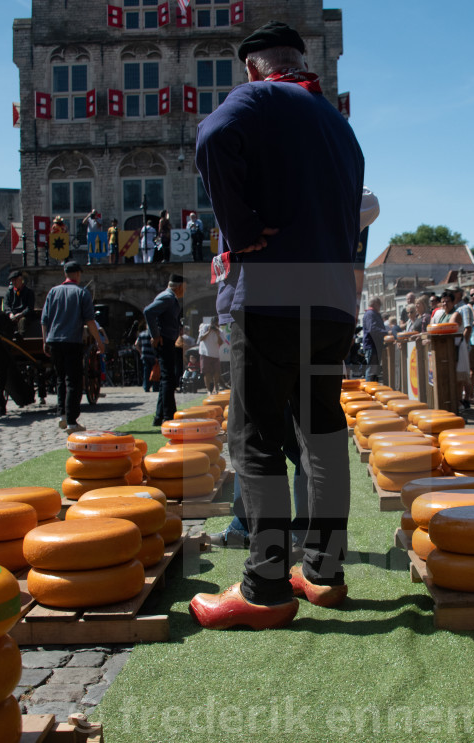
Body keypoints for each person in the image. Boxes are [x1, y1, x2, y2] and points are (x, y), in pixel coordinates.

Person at [191, 20, 364, 629]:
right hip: (333, 302)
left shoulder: (261, 97)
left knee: (256, 435)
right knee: (322, 434)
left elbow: (212, 135)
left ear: (253, 67)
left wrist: (239, 232)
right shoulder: (339, 126)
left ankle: (266, 585)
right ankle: (323, 571)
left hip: (270, 295)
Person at [41, 261, 105, 433]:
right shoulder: (81, 293)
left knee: (61, 379)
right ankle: (71, 421)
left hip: (54, 340)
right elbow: (90, 322)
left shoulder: (53, 292)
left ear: (65, 274)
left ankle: (62, 414)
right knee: (73, 381)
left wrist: (44, 341)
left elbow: (44, 320)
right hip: (71, 341)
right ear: (78, 274)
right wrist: (99, 342)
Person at [144, 275, 185, 426]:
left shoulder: (169, 297)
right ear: (179, 286)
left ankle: (160, 415)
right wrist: (155, 335)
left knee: (166, 378)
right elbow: (148, 312)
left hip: (168, 340)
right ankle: (168, 415)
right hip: (165, 340)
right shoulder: (167, 297)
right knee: (169, 378)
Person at [361, 297, 387, 382]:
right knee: (372, 370)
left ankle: (371, 389)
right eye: (379, 305)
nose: (380, 307)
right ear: (375, 304)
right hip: (372, 345)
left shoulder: (371, 314)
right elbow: (372, 329)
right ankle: (369, 390)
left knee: (373, 370)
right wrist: (385, 333)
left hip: (373, 345)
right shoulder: (371, 314)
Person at [197, 317, 224, 393]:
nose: (216, 326)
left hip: (215, 354)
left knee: (217, 372)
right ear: (212, 323)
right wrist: (209, 331)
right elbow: (201, 338)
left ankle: (216, 387)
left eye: (218, 324)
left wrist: (217, 334)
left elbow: (220, 343)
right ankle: (208, 389)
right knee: (207, 372)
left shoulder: (220, 331)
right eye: (215, 324)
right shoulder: (205, 327)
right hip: (205, 353)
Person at [6, 270, 36, 338]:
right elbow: (6, 305)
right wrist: (10, 314)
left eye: (15, 280)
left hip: (24, 315)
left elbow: (30, 307)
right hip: (12, 315)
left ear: (20, 280)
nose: (13, 283)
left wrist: (21, 314)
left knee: (23, 321)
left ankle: (20, 337)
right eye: (12, 281)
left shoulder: (29, 292)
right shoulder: (9, 293)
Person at [134, 322, 158, 392]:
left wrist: (140, 352)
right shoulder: (153, 334)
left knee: (146, 372)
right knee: (154, 371)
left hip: (145, 355)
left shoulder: (142, 334)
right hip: (152, 355)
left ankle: (146, 387)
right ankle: (155, 387)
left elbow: (136, 344)